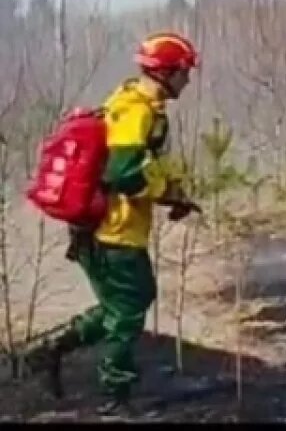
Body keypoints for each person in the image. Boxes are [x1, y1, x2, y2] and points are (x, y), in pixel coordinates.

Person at [26, 31, 201, 416]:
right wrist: (165, 193)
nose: (187, 80)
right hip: (115, 231)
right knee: (128, 311)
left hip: (108, 229)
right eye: (184, 72)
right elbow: (122, 173)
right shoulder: (137, 112)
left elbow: (142, 165)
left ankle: (53, 350)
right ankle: (115, 395)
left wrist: (173, 192)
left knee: (124, 303)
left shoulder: (133, 103)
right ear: (166, 73)